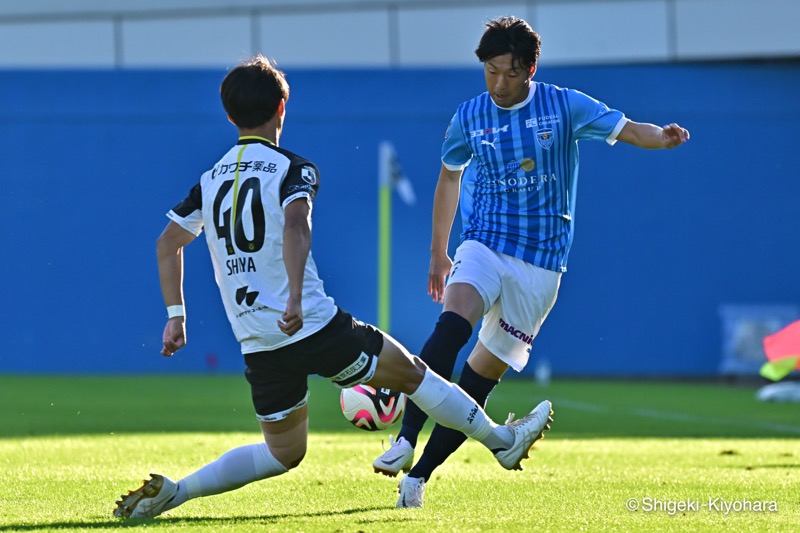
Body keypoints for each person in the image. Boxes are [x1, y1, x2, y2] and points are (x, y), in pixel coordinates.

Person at [112, 54, 554, 519]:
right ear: (283, 108)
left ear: (228, 115)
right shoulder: (293, 168)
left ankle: (176, 492)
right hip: (312, 324)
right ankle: (503, 442)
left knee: (283, 453)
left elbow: (168, 243)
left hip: (258, 341)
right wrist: (298, 299)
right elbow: (296, 226)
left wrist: (175, 316)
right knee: (416, 376)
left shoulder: (209, 180)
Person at [373, 16, 690, 508]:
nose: (500, 83)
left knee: (476, 382)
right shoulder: (469, 117)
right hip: (483, 244)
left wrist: (662, 137)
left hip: (541, 267)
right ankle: (405, 438)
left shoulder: (564, 106)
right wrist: (439, 251)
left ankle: (418, 479)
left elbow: (629, 129)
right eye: (491, 71)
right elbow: (449, 178)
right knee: (453, 326)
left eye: (511, 73)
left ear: (531, 69)